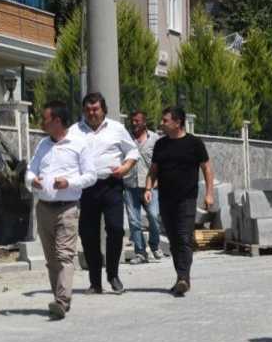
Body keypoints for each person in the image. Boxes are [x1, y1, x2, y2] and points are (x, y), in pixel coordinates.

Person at [25, 101, 97, 319]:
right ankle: (60, 297)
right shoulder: (43, 145)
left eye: (45, 118)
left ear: (57, 121)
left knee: (64, 255)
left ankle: (61, 300)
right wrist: (32, 181)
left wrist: (70, 183)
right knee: (51, 259)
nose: (41, 122)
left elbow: (91, 175)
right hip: (44, 208)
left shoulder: (79, 144)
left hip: (67, 208)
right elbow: (30, 170)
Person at [145, 106, 214, 297]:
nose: (161, 123)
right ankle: (181, 277)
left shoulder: (194, 143)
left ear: (177, 122)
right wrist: (148, 188)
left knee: (184, 237)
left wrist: (209, 194)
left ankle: (183, 278)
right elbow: (153, 170)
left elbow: (207, 169)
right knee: (174, 240)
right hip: (166, 199)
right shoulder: (161, 144)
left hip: (187, 198)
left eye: (165, 120)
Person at [76, 92, 139, 294]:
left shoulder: (117, 128)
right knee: (88, 234)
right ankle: (95, 282)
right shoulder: (75, 131)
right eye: (88, 109)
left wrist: (125, 168)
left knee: (116, 230)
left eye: (95, 109)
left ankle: (113, 275)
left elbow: (133, 152)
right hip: (87, 188)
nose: (91, 113)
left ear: (103, 109)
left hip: (112, 185)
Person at [122, 110, 163, 264]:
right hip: (130, 185)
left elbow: (159, 162)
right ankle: (140, 253)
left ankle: (154, 244)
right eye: (132, 121)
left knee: (153, 216)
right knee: (134, 221)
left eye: (137, 121)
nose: (134, 124)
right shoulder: (126, 139)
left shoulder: (155, 139)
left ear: (144, 122)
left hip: (151, 186)